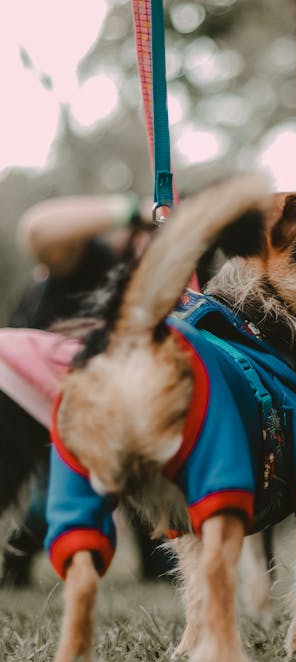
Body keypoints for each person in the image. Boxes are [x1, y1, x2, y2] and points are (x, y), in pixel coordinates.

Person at [0, 193, 176, 586]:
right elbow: (37, 228)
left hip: (96, 407)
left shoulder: (170, 293)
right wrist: (135, 210)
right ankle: (17, 567)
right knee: (43, 503)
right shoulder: (94, 260)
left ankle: (158, 567)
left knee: (132, 460)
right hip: (24, 391)